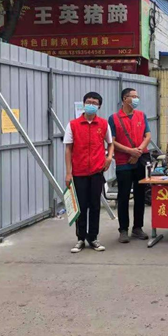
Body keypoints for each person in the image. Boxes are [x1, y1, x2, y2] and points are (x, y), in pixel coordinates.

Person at [64, 92, 113, 253]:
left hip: (96, 171)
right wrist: (68, 173)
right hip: (79, 172)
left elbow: (110, 143)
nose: (91, 105)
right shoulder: (73, 125)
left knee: (95, 206)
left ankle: (93, 238)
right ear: (84, 104)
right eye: (89, 102)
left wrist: (109, 157)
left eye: (95, 103)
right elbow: (68, 149)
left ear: (99, 106)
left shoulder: (103, 124)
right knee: (81, 206)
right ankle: (80, 238)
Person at [110, 88, 151, 244]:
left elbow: (148, 136)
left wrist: (138, 151)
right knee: (123, 196)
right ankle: (123, 229)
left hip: (140, 160)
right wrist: (130, 151)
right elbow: (112, 141)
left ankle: (137, 227)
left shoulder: (141, 115)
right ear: (124, 99)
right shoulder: (114, 118)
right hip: (123, 163)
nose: (136, 99)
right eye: (133, 96)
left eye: (137, 96)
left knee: (140, 195)